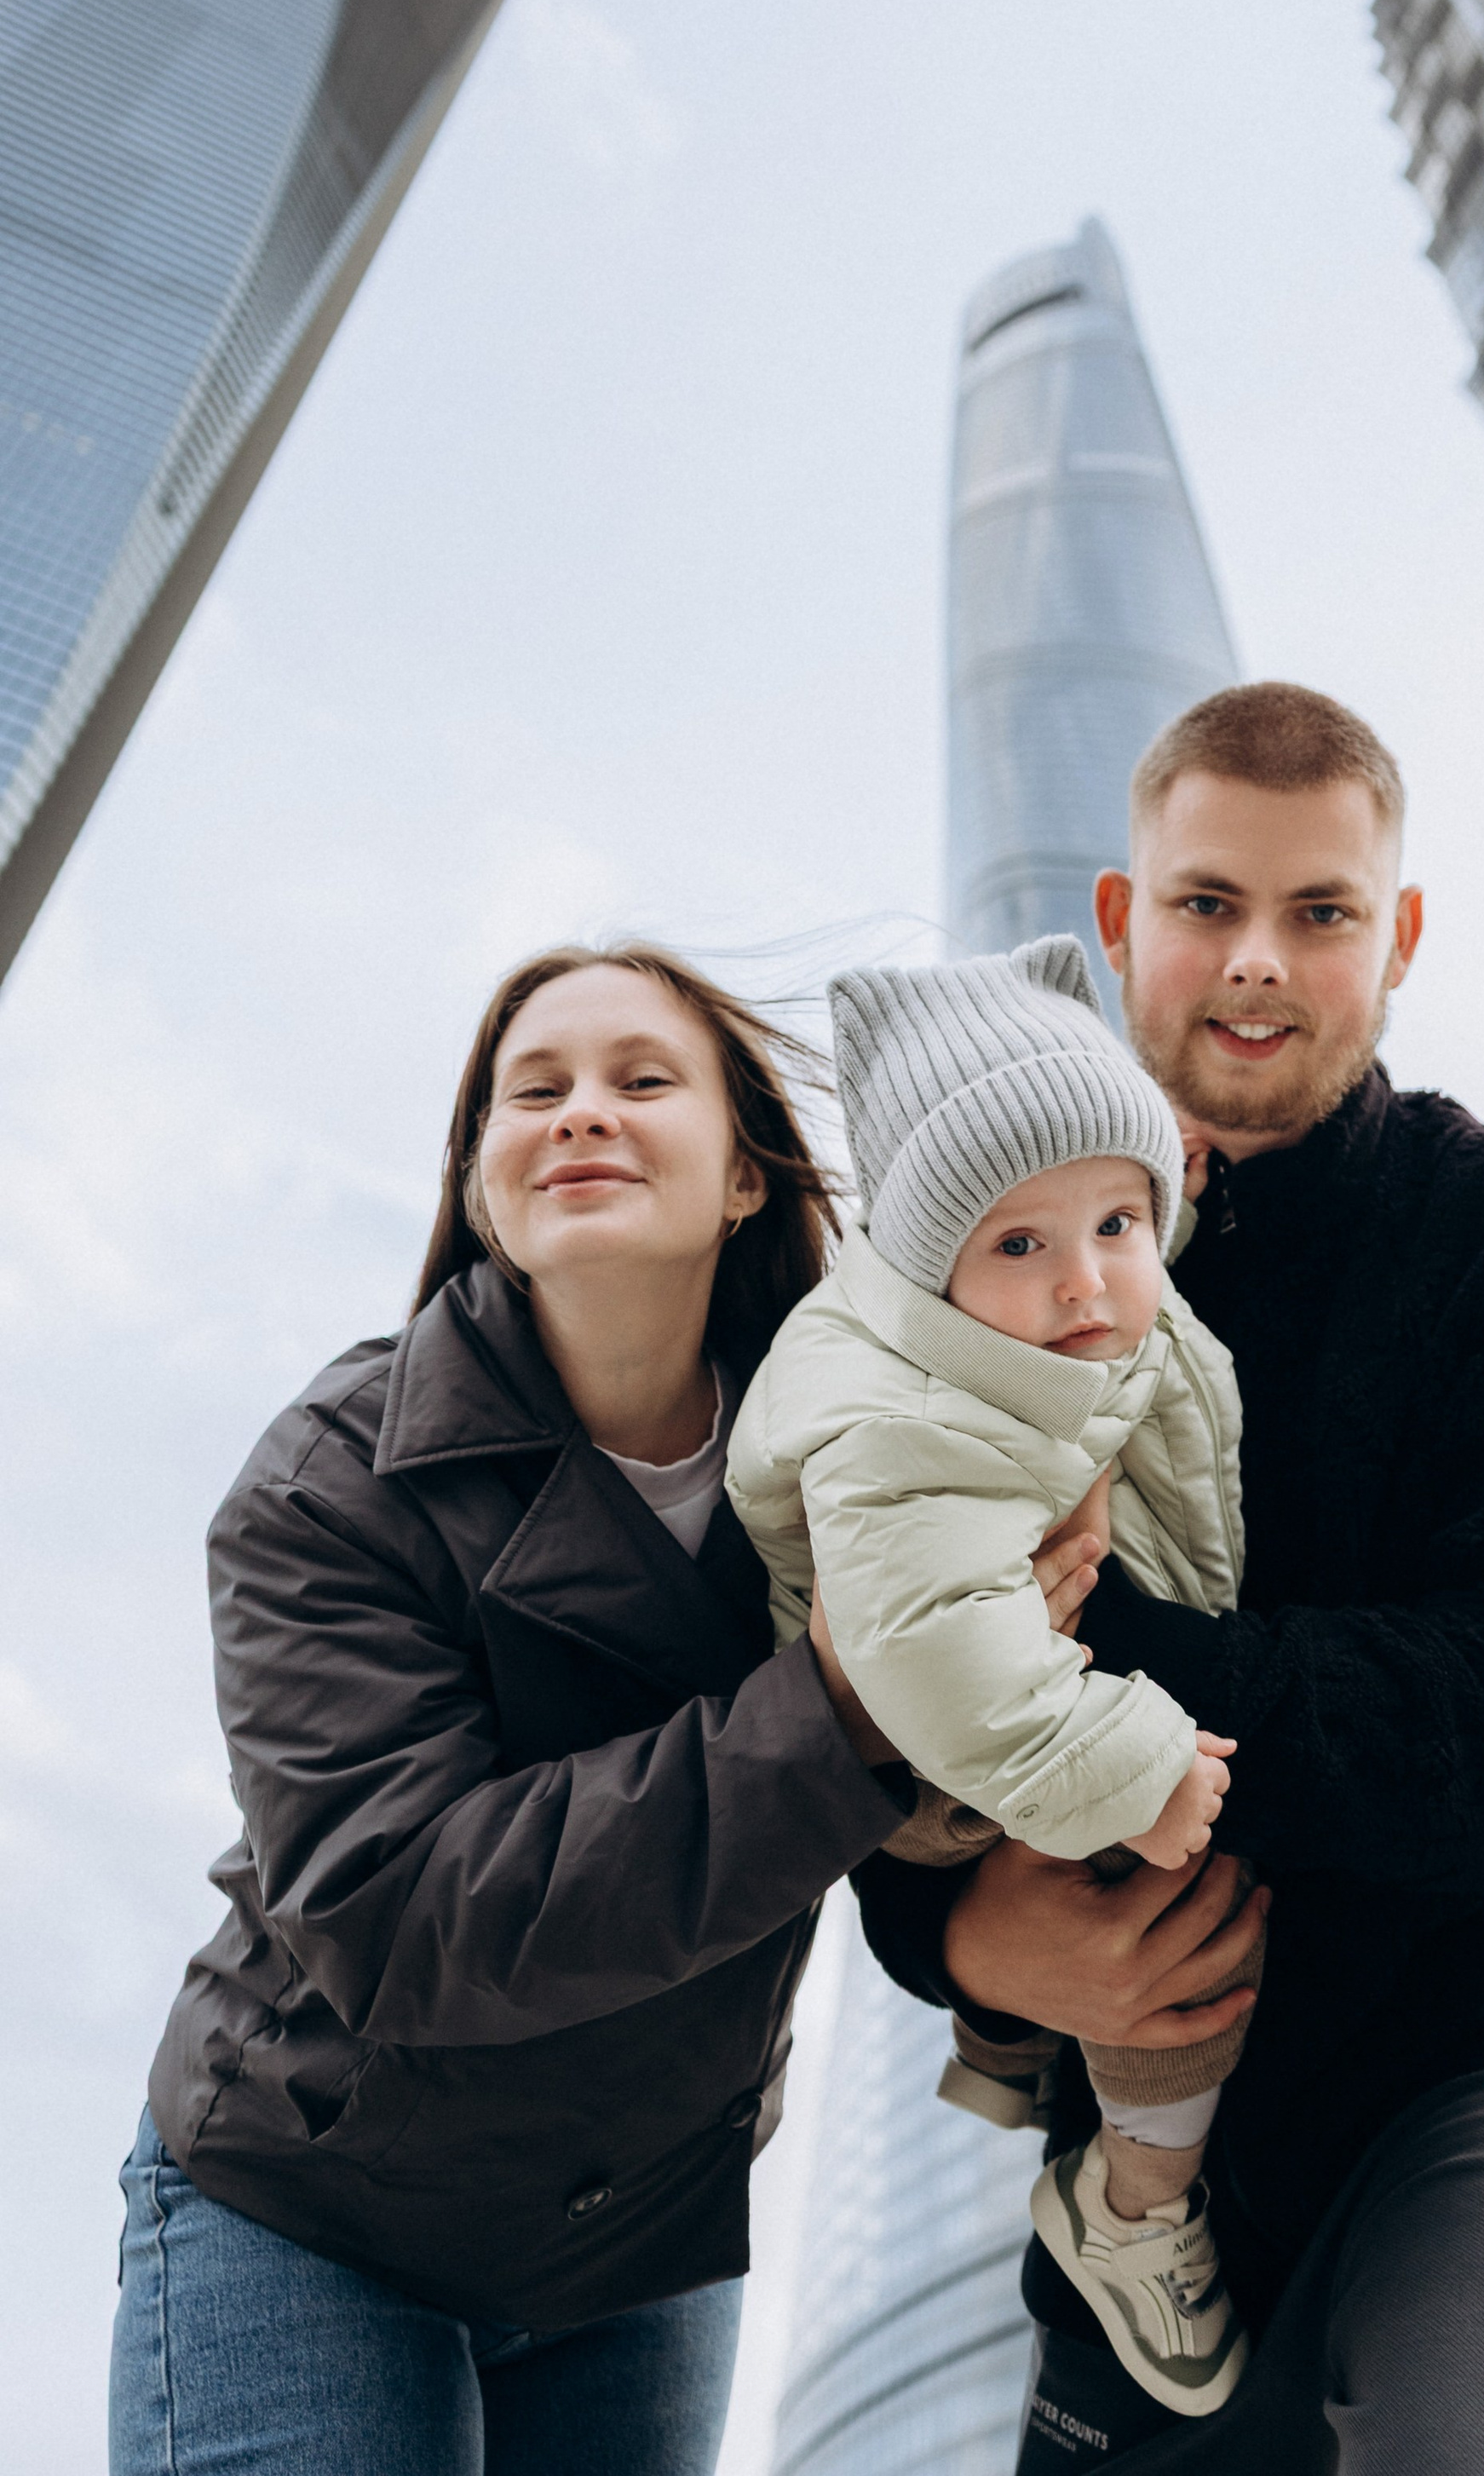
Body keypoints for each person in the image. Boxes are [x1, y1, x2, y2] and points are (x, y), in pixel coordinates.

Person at [853, 683, 1484, 2475]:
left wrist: (1117, 1651)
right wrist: (955, 1936)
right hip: (1150, 2152)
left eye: (1320, 912)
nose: (1257, 960)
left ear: (1397, 941)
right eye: (1206, 904)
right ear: (1117, 923)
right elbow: (871, 1696)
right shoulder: (976, 1290)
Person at [111, 943, 919, 2476]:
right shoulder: (330, 1480)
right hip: (311, 2211)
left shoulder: (863, 1458)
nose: (580, 1113)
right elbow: (398, 1907)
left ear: (746, 1175)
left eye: (641, 1079)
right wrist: (832, 1719)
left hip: (639, 2237)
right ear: (486, 1189)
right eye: (532, 1092)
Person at [728, 934, 1262, 2416]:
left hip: (1004, 1697)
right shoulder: (894, 1415)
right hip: (923, 1755)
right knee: (1180, 1926)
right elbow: (941, 1663)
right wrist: (1130, 1763)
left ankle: (1005, 2045)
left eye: (1117, 1222)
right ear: (929, 1270)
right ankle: (1138, 2203)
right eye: (1018, 1246)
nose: (1084, 1278)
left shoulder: (1089, 1318)